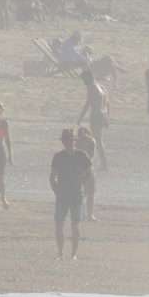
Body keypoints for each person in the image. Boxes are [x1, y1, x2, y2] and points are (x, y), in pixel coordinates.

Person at [49, 128, 93, 260]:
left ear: (75, 141)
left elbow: (89, 173)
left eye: (70, 140)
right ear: (63, 142)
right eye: (65, 141)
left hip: (76, 195)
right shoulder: (58, 156)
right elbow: (52, 177)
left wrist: (80, 184)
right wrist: (57, 191)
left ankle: (73, 254)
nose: (68, 143)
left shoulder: (82, 155)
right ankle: (60, 252)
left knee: (75, 223)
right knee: (59, 222)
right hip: (62, 194)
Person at [75, 68, 110, 171]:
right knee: (99, 140)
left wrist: (80, 118)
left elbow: (87, 104)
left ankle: (104, 163)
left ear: (89, 78)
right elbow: (108, 104)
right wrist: (108, 117)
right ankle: (104, 161)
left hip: (96, 116)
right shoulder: (102, 87)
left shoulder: (92, 88)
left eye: (85, 80)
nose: (84, 83)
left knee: (98, 141)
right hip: (103, 115)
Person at [76, 126, 99, 219]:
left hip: (78, 167)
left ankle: (80, 213)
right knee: (90, 192)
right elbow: (91, 154)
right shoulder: (92, 140)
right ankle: (90, 215)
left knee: (80, 192)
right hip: (88, 166)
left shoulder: (76, 140)